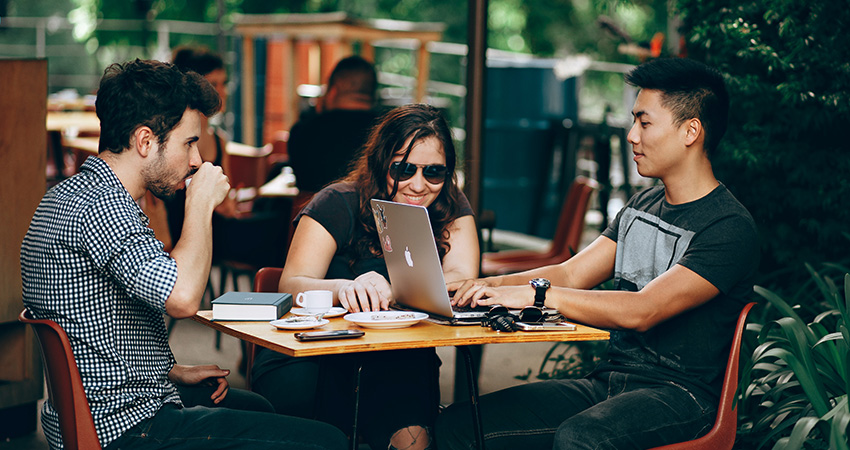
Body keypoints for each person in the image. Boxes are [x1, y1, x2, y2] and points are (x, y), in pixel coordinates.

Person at [20, 59, 347, 450]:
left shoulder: (68, 196)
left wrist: (170, 371)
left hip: (100, 411)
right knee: (327, 440)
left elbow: (92, 327)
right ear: (145, 141)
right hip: (127, 429)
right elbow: (184, 298)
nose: (197, 160)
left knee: (260, 406)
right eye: (189, 142)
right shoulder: (103, 207)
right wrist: (200, 204)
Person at [436, 58, 760, 450]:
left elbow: (644, 310)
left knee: (581, 438)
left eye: (645, 122)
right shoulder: (644, 204)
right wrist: (487, 286)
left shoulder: (727, 226)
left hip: (681, 396)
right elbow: (572, 274)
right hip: (610, 382)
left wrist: (538, 294)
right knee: (458, 424)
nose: (631, 135)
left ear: (691, 131)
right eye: (633, 121)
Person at [251, 104, 480, 450]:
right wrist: (346, 289)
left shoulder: (447, 202)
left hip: (397, 356)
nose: (419, 185)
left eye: (434, 172)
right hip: (317, 354)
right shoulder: (337, 201)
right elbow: (292, 283)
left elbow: (462, 276)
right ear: (381, 163)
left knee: (409, 378)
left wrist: (398, 289)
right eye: (404, 170)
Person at [287, 55, 384, 193]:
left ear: (333, 90)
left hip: (311, 212)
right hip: (367, 213)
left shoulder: (303, 130)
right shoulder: (387, 132)